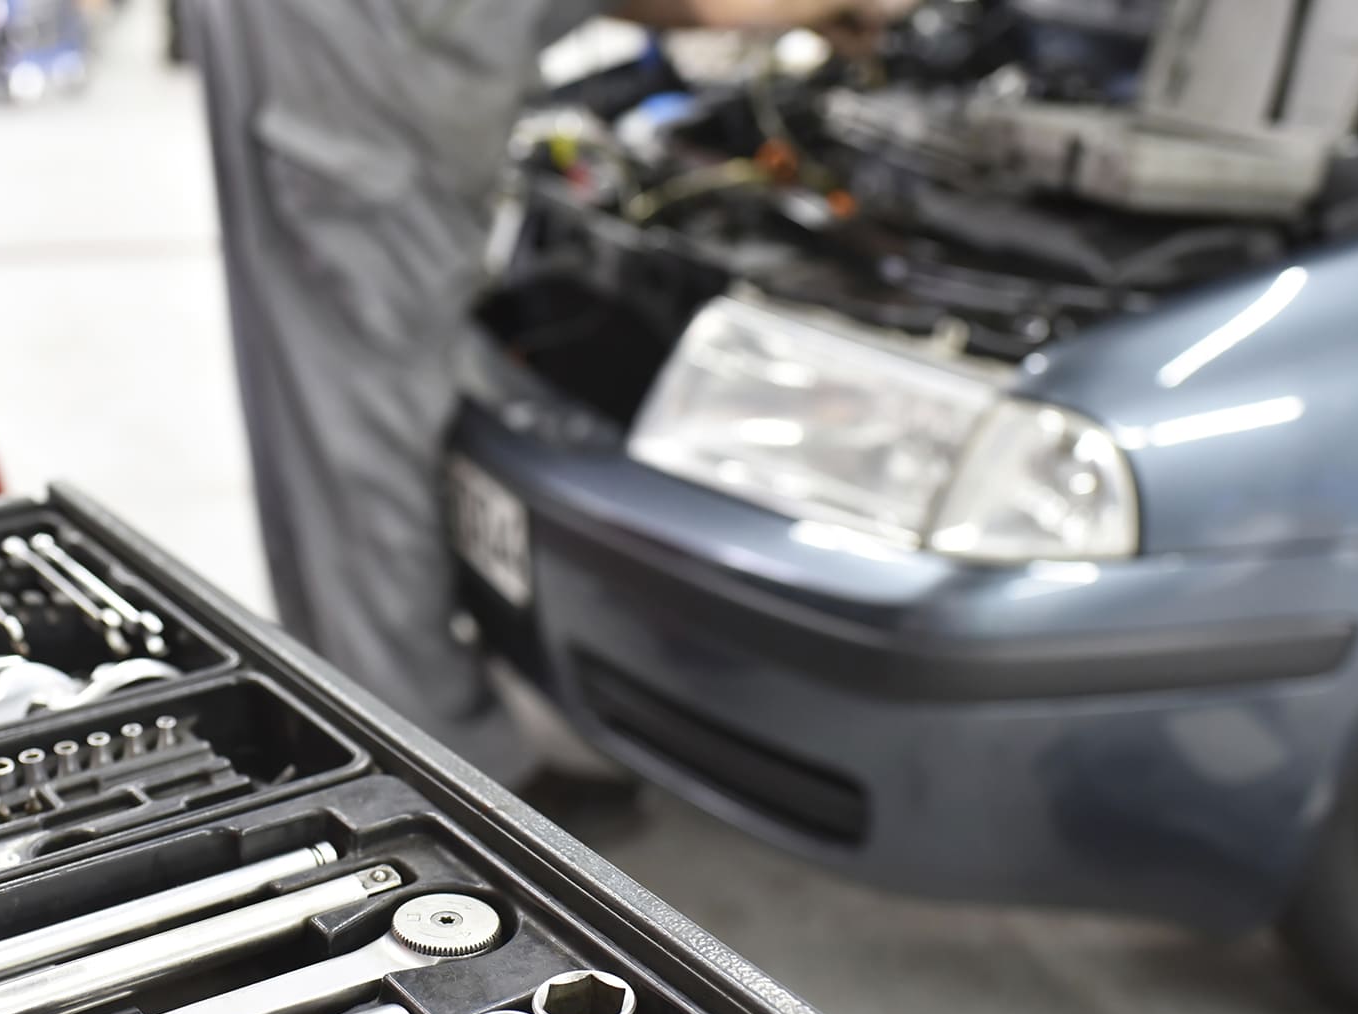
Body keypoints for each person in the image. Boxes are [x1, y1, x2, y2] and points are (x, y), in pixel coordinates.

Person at [197, 0, 915, 790]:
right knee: (358, 413)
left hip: (361, 44)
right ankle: (416, 786)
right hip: (364, 63)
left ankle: (378, 719)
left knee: (342, 384)